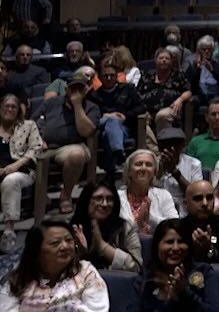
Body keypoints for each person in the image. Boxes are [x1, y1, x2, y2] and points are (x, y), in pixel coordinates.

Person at [0, 220, 109, 312]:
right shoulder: (19, 279)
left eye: (69, 240)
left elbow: (98, 309)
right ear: (36, 250)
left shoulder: (86, 271)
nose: (65, 247)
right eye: (55, 243)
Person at [31, 68, 99, 214]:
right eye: (73, 88)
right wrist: (38, 139)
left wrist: (77, 105)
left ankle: (66, 196)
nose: (76, 91)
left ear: (86, 89)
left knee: (76, 155)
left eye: (80, 88)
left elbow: (86, 131)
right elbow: (32, 122)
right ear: (66, 89)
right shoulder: (51, 103)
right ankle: (39, 197)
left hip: (70, 147)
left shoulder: (92, 107)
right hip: (44, 145)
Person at [135, 218, 219, 312]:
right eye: (169, 242)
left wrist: (184, 293)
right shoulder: (146, 277)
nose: (176, 248)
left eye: (181, 242)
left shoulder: (204, 271)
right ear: (157, 246)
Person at [86, 60, 143, 181]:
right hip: (100, 127)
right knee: (110, 121)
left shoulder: (128, 89)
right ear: (100, 77)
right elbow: (91, 114)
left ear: (117, 76)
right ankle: (118, 153)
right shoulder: (94, 95)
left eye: (112, 75)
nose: (108, 78)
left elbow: (141, 107)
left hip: (125, 127)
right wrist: (107, 116)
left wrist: (125, 116)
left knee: (110, 129)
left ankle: (111, 168)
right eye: (105, 75)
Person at [0, 92, 42, 251]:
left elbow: (36, 148)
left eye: (13, 107)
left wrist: (16, 165)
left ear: (19, 110)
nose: (9, 109)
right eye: (6, 106)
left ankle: (9, 230)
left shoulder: (28, 125)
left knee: (10, 181)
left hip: (22, 172)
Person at [70, 181, 142, 272]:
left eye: (109, 199)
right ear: (87, 200)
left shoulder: (126, 227)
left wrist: (102, 245)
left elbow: (136, 267)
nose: (104, 204)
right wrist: (82, 254)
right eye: (98, 198)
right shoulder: (73, 229)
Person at [177, 180, 219, 265]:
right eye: (198, 198)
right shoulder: (178, 228)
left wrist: (209, 248)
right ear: (186, 203)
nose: (205, 203)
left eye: (209, 198)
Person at [119, 149, 179, 235]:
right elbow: (114, 227)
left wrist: (150, 218)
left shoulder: (164, 195)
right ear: (129, 171)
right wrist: (138, 223)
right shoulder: (117, 197)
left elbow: (175, 226)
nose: (143, 168)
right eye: (138, 164)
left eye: (149, 165)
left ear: (154, 172)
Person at [137, 48, 191, 134]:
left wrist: (180, 100)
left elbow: (188, 91)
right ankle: (154, 147)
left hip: (169, 109)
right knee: (140, 118)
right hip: (147, 110)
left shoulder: (177, 75)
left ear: (171, 61)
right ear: (155, 60)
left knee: (161, 116)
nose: (164, 60)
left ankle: (164, 143)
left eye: (167, 58)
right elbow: (138, 93)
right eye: (161, 58)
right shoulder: (147, 75)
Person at [155, 127, 203, 216]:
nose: (169, 149)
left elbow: (197, 193)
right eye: (165, 145)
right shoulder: (152, 164)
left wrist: (174, 171)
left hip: (185, 211)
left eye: (174, 145)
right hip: (158, 209)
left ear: (182, 145)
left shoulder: (194, 164)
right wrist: (159, 172)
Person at [187, 97, 219, 170]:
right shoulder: (195, 141)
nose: (217, 118)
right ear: (206, 117)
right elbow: (188, 166)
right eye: (213, 114)